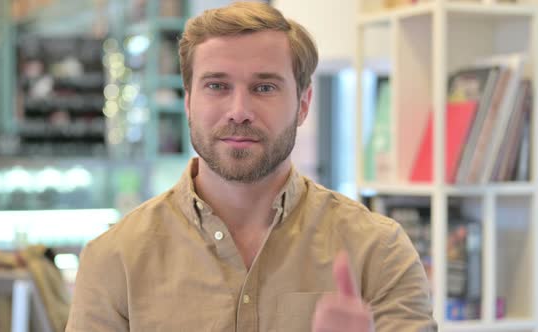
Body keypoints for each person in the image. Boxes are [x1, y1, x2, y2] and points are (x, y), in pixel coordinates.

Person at [66, 2, 436, 331]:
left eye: (264, 88)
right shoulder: (115, 259)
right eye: (216, 86)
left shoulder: (378, 250)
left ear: (303, 103)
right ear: (189, 102)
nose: (239, 111)